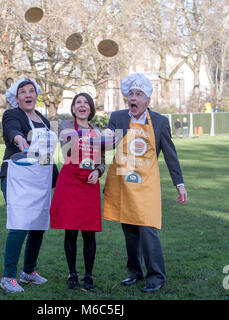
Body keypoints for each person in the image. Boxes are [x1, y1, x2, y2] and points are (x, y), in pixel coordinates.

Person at [103, 73, 187, 293]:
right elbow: (109, 142)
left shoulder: (159, 122)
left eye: (138, 94)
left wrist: (179, 184)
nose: (133, 98)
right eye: (131, 94)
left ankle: (157, 276)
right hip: (124, 183)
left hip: (146, 185)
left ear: (147, 100)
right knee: (129, 229)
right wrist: (104, 136)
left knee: (148, 229)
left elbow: (170, 155)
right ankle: (135, 272)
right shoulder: (118, 117)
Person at [0, 78, 58, 293]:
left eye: (31, 91)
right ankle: (8, 277)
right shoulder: (12, 115)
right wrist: (20, 140)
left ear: (36, 95)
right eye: (22, 92)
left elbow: (48, 154)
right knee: (20, 224)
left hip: (39, 179)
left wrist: (57, 181)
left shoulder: (44, 121)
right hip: (17, 178)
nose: (27, 95)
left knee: (38, 226)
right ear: (17, 98)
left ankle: (28, 271)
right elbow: (12, 130)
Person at [50, 93, 105, 290]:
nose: (82, 106)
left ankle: (88, 275)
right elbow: (64, 147)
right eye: (78, 103)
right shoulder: (65, 127)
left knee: (89, 233)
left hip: (89, 184)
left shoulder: (98, 131)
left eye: (86, 103)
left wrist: (98, 171)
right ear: (73, 108)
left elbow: (102, 161)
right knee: (71, 231)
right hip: (70, 182)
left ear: (91, 109)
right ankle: (72, 273)